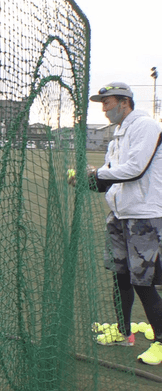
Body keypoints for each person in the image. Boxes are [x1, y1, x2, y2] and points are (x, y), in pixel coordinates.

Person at [87, 82, 162, 365]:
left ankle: (161, 341)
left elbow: (134, 169)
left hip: (144, 215)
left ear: (124, 102)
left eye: (107, 103)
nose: (104, 109)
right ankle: (123, 332)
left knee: (143, 281)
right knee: (120, 276)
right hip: (120, 214)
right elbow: (111, 176)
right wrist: (90, 179)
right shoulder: (118, 134)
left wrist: (99, 175)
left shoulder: (145, 126)